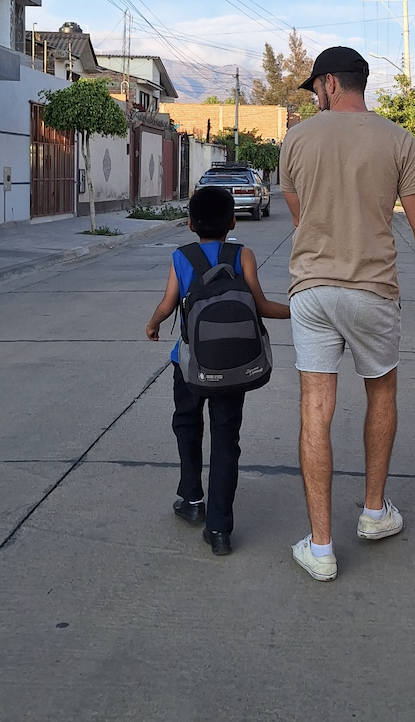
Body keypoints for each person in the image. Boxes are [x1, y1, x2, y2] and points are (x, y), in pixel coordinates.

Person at [278, 45, 415, 581]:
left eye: (316, 86)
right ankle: (375, 513)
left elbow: (300, 216)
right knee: (381, 392)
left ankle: (321, 547)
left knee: (316, 407)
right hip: (374, 291)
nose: (315, 96)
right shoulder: (399, 140)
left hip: (312, 291)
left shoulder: (296, 139)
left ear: (331, 84)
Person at [145, 186, 290, 556]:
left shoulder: (182, 257)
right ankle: (220, 529)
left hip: (189, 365)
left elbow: (168, 304)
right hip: (234, 366)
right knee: (226, 439)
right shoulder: (243, 255)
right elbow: (260, 306)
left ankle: (192, 499)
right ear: (232, 222)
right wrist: (298, 311)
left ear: (190, 224)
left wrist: (153, 324)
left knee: (187, 425)